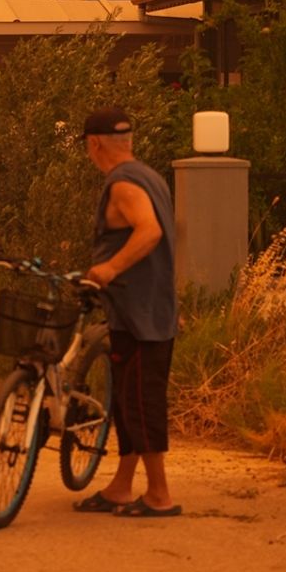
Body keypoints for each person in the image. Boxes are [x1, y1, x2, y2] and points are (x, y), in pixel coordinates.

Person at [74, 106, 182, 518]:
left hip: (141, 316)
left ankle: (159, 495)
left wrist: (110, 268)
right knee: (127, 401)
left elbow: (150, 231)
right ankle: (121, 486)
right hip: (146, 308)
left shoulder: (122, 184)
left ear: (94, 144)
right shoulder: (150, 176)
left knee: (140, 403)